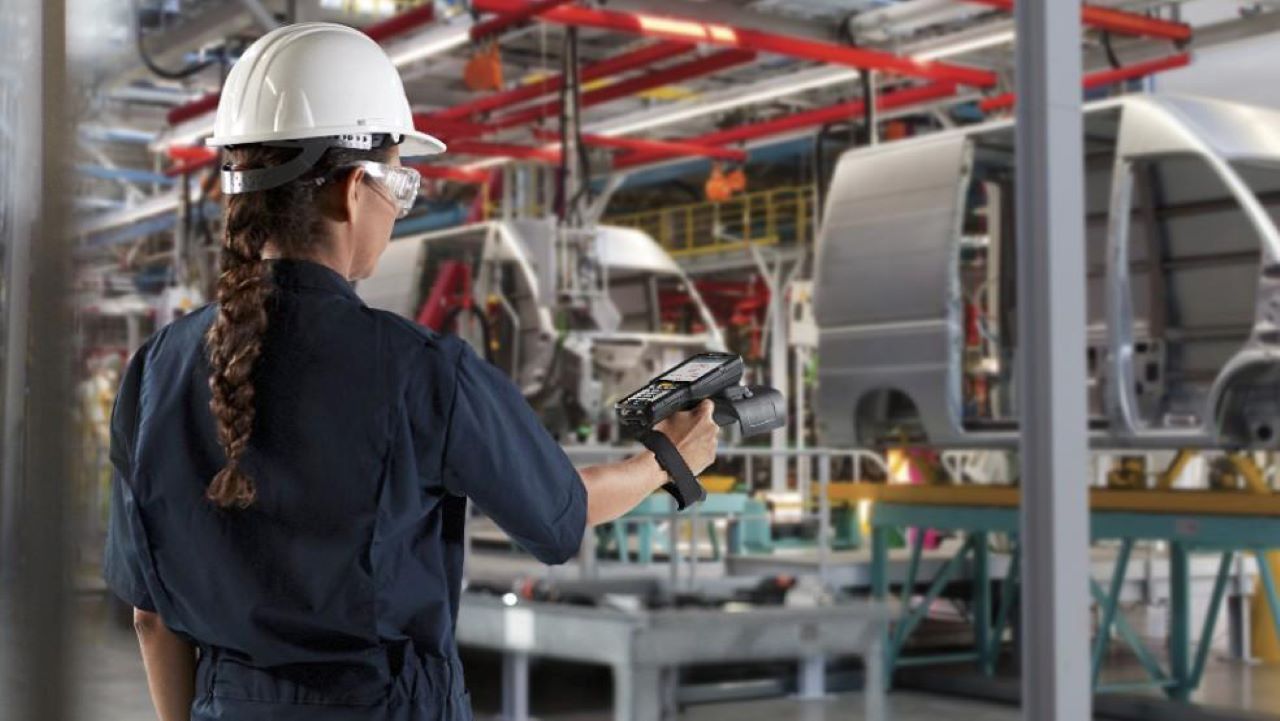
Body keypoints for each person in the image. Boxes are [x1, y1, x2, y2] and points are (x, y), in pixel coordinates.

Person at [104, 22, 719, 721]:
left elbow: (150, 619)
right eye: (399, 180)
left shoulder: (153, 370)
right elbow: (558, 515)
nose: (398, 206)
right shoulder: (424, 371)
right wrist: (668, 457)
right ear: (354, 188)